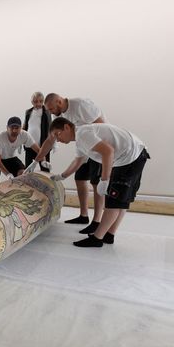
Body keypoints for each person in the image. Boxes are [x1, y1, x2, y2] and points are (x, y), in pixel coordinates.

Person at [48, 117, 150, 247]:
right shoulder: (80, 140)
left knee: (114, 200)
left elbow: (108, 151)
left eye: (58, 134)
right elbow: (78, 161)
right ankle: (109, 235)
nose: (58, 139)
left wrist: (104, 180)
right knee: (121, 200)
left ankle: (97, 238)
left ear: (67, 127)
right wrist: (62, 176)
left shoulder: (83, 134)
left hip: (130, 156)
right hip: (134, 154)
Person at [36, 93, 106, 234]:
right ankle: (84, 215)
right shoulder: (60, 115)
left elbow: (101, 126)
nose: (50, 113)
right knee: (80, 179)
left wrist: (93, 145)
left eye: (51, 109)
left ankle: (97, 220)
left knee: (96, 183)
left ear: (59, 102)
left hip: (97, 146)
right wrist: (37, 159)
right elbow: (50, 139)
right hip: (83, 146)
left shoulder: (81, 105)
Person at [0, 116, 41, 184]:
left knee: (22, 174)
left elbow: (39, 151)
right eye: (12, 128)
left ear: (21, 128)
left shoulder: (24, 135)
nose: (14, 130)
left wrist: (39, 162)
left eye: (17, 128)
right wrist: (8, 174)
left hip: (10, 157)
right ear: (7, 128)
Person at [23, 91, 52, 172]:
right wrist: (20, 138)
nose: (38, 103)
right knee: (28, 168)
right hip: (29, 144)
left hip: (43, 145)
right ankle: (27, 184)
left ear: (43, 101)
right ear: (32, 102)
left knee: (45, 168)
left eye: (40, 101)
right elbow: (25, 125)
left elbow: (51, 126)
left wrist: (54, 142)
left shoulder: (47, 112)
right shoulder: (28, 112)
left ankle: (46, 184)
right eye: (35, 101)